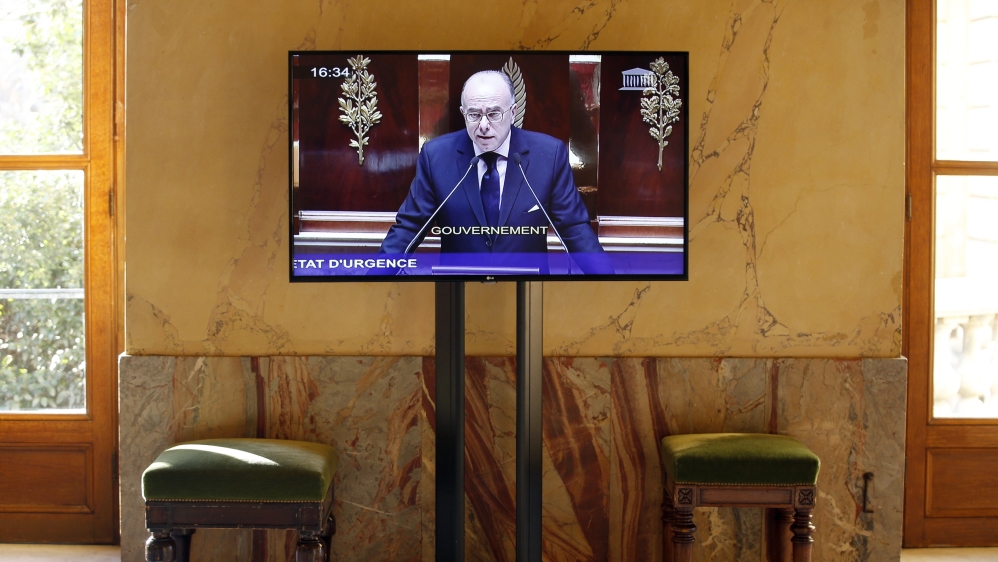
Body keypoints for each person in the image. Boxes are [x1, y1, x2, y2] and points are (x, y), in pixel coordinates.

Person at [377, 70, 613, 274]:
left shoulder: (549, 155)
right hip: (457, 290)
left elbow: (574, 229)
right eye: (474, 114)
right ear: (462, 112)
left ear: (513, 112)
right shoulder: (437, 156)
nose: (483, 125)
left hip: (528, 289)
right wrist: (374, 278)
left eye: (493, 114)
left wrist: (608, 282)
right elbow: (409, 228)